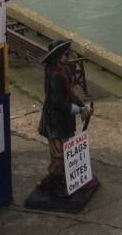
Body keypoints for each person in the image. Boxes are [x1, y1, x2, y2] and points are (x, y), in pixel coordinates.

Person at [36, 39, 92, 197]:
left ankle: (63, 181)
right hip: (54, 121)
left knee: (67, 152)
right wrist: (78, 110)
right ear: (58, 57)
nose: (68, 57)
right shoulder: (53, 75)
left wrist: (83, 106)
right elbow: (56, 102)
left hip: (65, 120)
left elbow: (71, 94)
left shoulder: (64, 71)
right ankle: (55, 184)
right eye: (66, 55)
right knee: (58, 155)